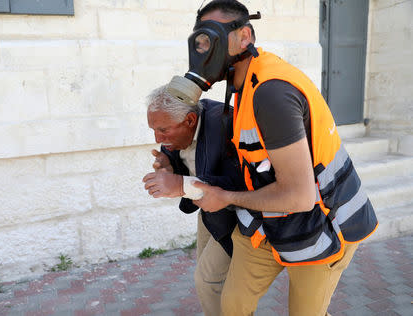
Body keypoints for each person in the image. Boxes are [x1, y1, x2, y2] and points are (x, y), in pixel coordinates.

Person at [177, 1, 379, 315]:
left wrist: (224, 197)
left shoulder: (271, 93)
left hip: (322, 223)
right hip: (267, 221)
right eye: (200, 41)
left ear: (245, 37)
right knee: (232, 306)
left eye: (212, 38)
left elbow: (298, 197)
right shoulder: (242, 84)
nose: (205, 50)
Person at [142, 85, 245, 316]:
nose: (158, 138)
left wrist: (179, 184)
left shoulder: (226, 123)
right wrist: (169, 167)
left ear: (190, 120)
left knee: (208, 281)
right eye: (154, 130)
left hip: (239, 216)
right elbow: (175, 157)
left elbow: (239, 184)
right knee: (210, 276)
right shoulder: (174, 130)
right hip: (208, 213)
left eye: (163, 130)